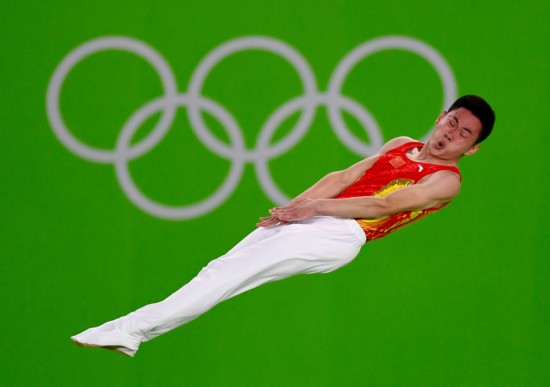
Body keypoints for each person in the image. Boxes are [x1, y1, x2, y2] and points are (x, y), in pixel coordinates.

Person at [71, 95, 495, 357]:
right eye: (452, 121)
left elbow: (382, 204)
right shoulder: (400, 144)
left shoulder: (445, 182)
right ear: (440, 116)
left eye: (463, 134)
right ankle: (133, 332)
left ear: (471, 150)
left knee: (228, 274)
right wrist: (296, 205)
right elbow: (345, 176)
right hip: (319, 217)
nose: (451, 133)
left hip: (342, 233)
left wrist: (314, 211)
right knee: (219, 271)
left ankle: (131, 329)